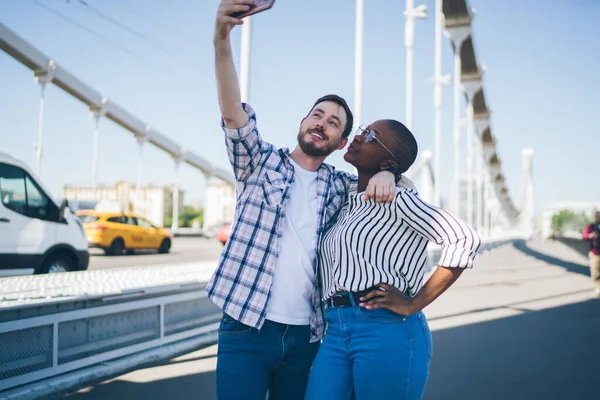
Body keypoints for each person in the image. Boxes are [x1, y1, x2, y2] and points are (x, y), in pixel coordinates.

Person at [207, 2, 400, 399]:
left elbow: (398, 194)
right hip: (246, 326)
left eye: (333, 123)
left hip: (308, 336)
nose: (322, 123)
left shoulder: (341, 186)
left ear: (342, 142)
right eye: (317, 114)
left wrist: (388, 173)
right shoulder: (259, 164)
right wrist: (221, 40)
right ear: (302, 121)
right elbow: (232, 114)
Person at [305, 120, 482, 400]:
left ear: (387, 162)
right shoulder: (347, 201)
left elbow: (464, 238)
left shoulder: (398, 200)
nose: (360, 136)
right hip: (335, 328)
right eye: (364, 130)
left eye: (372, 136)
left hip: (386, 329)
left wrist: (413, 303)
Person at [582, 211, 600, 297]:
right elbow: (584, 236)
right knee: (595, 271)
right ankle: (597, 287)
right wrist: (590, 235)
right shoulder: (591, 227)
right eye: (597, 216)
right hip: (595, 252)